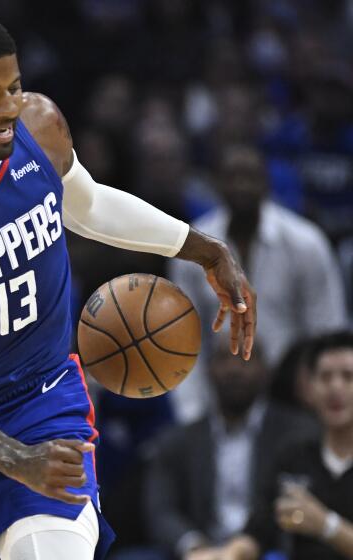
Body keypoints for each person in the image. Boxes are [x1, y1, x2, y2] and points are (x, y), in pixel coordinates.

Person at [0, 11, 256, 560]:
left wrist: (205, 248)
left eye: (13, 87)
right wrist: (16, 460)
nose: (8, 108)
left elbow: (85, 203)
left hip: (41, 398)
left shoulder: (37, 126)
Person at [169, 144, 347, 423]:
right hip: (219, 397)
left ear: (266, 182)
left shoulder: (306, 243)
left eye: (250, 176)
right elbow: (181, 340)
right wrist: (193, 413)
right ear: (216, 183)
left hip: (291, 396)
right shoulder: (192, 248)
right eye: (232, 177)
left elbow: (328, 333)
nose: (242, 186)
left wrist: (315, 403)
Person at [144, 339, 316, 559]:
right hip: (199, 549)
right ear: (208, 369)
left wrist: (246, 547)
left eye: (245, 358)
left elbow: (296, 504)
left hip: (264, 549)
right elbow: (161, 510)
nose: (234, 370)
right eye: (224, 359)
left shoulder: (297, 434)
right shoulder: (177, 440)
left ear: (266, 371)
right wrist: (193, 545)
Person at [206, 331, 353, 560]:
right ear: (309, 387)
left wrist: (327, 525)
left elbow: (322, 524)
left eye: (347, 377)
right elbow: (257, 531)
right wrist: (227, 554)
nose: (335, 388)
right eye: (325, 377)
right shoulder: (293, 456)